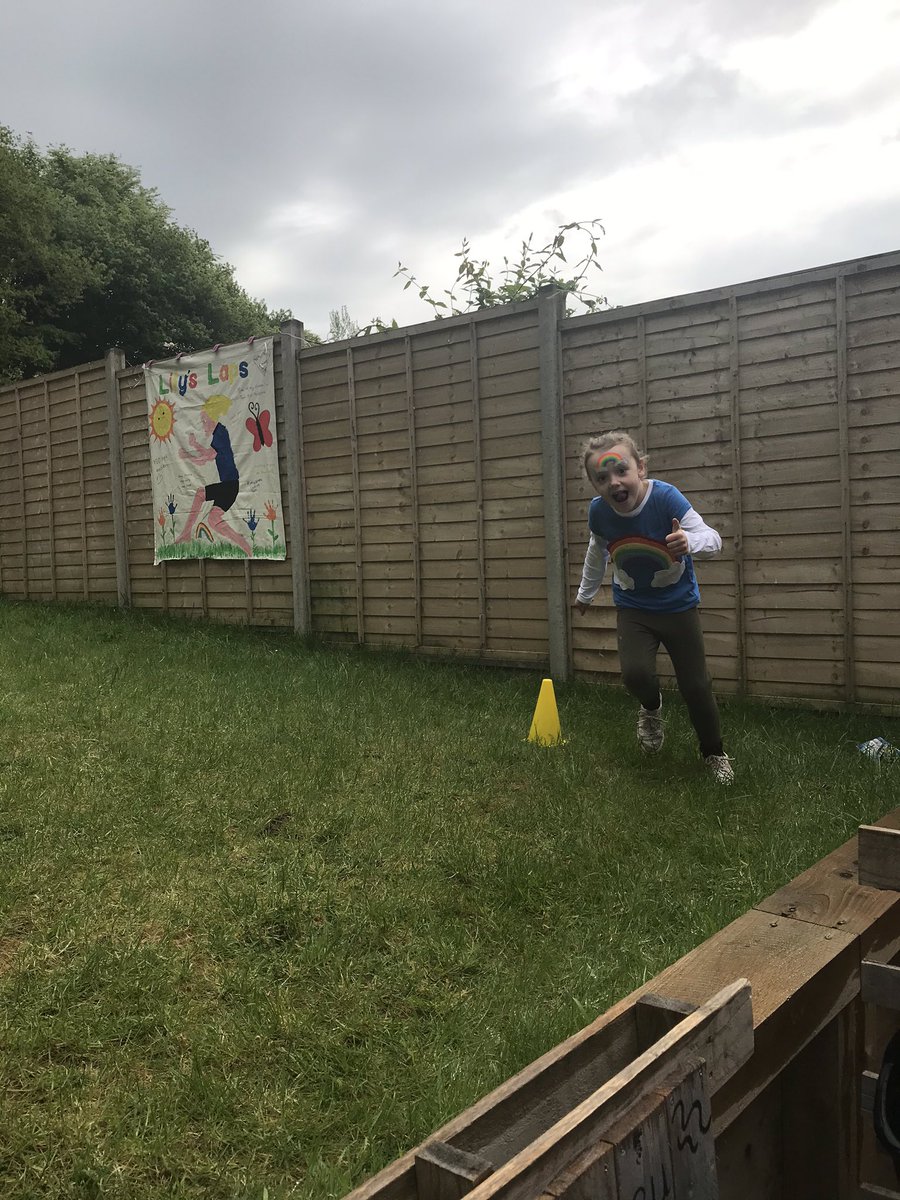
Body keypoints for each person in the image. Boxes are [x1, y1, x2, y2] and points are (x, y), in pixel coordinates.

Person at [573, 430, 733, 784]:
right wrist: (585, 594)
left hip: (678, 608)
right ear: (594, 484)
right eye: (602, 477)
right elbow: (596, 552)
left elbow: (714, 539)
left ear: (640, 469)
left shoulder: (666, 499)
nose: (614, 482)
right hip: (634, 608)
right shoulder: (600, 513)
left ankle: (714, 752)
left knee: (696, 686)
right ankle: (651, 707)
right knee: (635, 674)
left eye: (621, 471)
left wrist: (689, 541)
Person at [175, 394, 252, 556]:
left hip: (230, 484)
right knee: (213, 520)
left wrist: (187, 456)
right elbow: (209, 454)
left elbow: (206, 458)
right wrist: (195, 445)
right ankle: (243, 543)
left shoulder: (220, 433)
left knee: (200, 494)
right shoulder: (219, 434)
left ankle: (186, 534)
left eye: (204, 420)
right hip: (230, 485)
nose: (203, 425)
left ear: (212, 417)